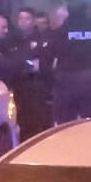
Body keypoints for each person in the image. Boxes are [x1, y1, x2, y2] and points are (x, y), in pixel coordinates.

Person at [50, 3, 91, 123]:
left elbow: (52, 53)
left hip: (66, 82)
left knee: (66, 125)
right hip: (90, 82)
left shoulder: (61, 31)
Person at [11, 7, 55, 139]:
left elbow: (41, 64)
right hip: (18, 87)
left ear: (33, 21)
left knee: (35, 124)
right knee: (20, 122)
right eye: (20, 18)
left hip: (36, 87)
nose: (23, 22)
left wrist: (24, 64)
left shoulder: (42, 39)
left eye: (27, 19)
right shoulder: (13, 39)